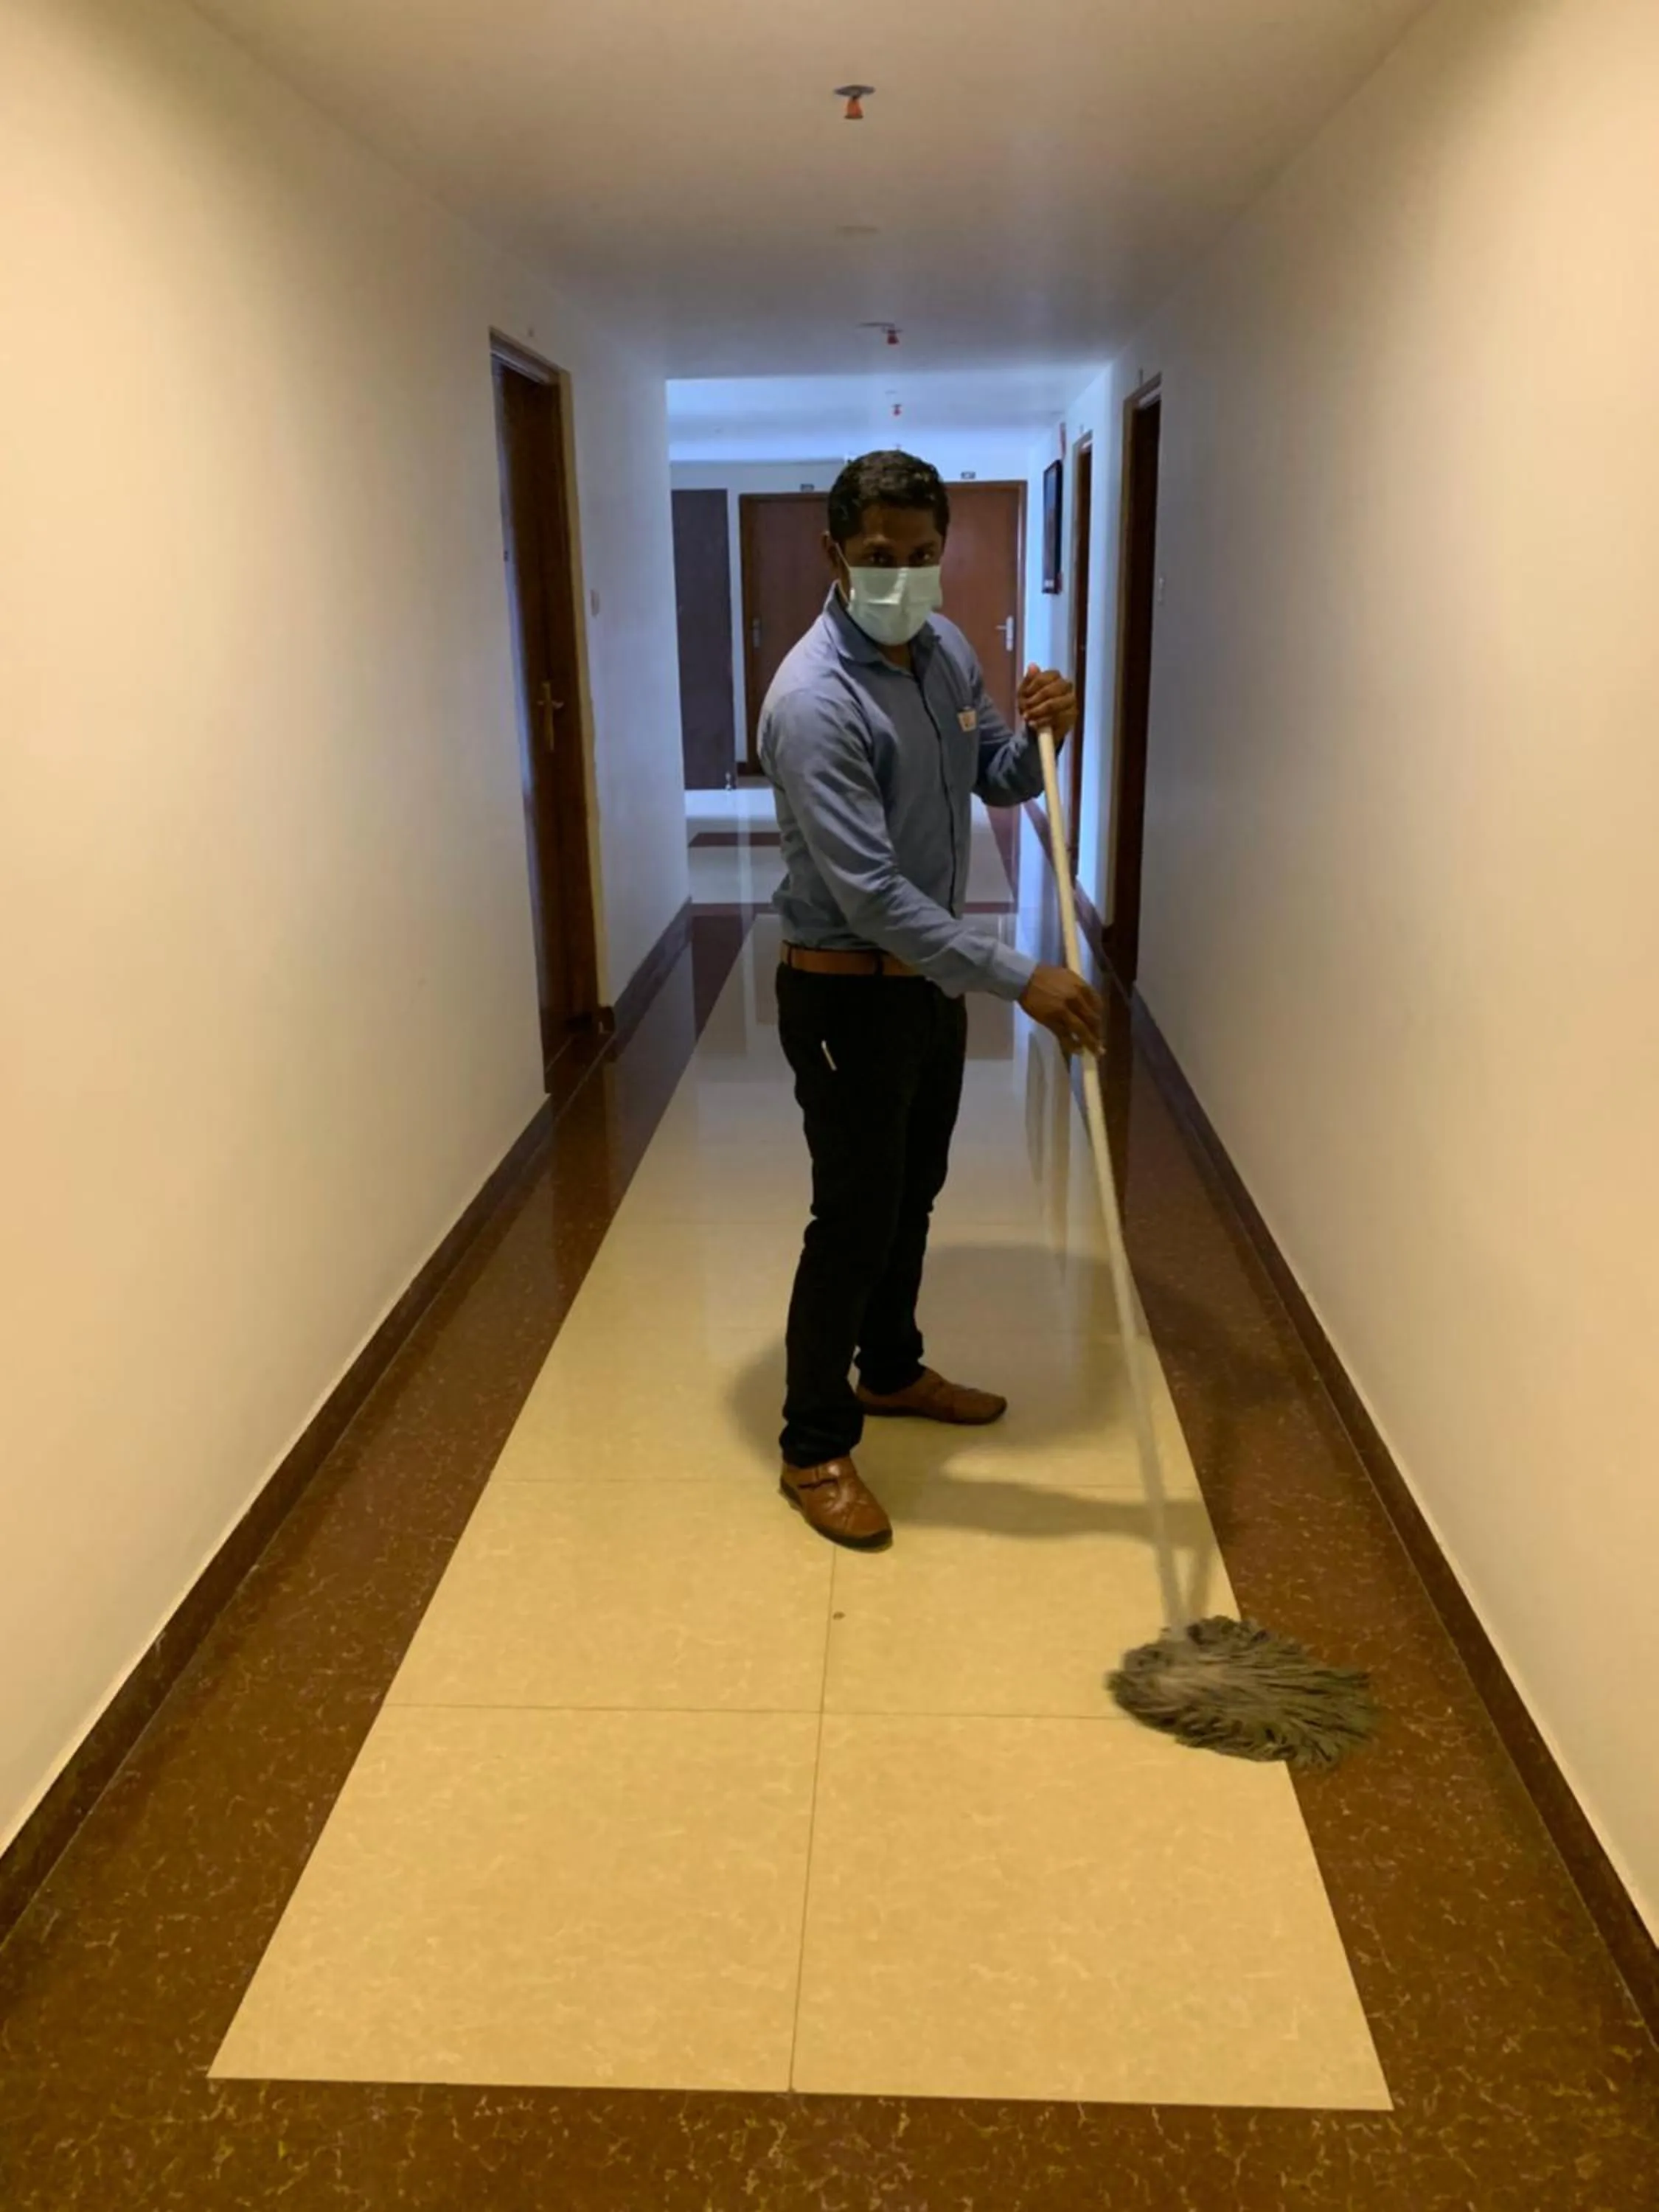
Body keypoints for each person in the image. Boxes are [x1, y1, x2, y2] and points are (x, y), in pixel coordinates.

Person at [759, 450, 1105, 1551]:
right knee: (853, 1219)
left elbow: (997, 774)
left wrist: (1054, 724)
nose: (902, 576)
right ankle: (812, 1444)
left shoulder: (944, 649)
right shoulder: (815, 702)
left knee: (912, 1195)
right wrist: (1022, 977)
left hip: (925, 993)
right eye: (876, 558)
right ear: (834, 554)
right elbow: (868, 897)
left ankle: (891, 1370)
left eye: (920, 556)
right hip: (846, 997)